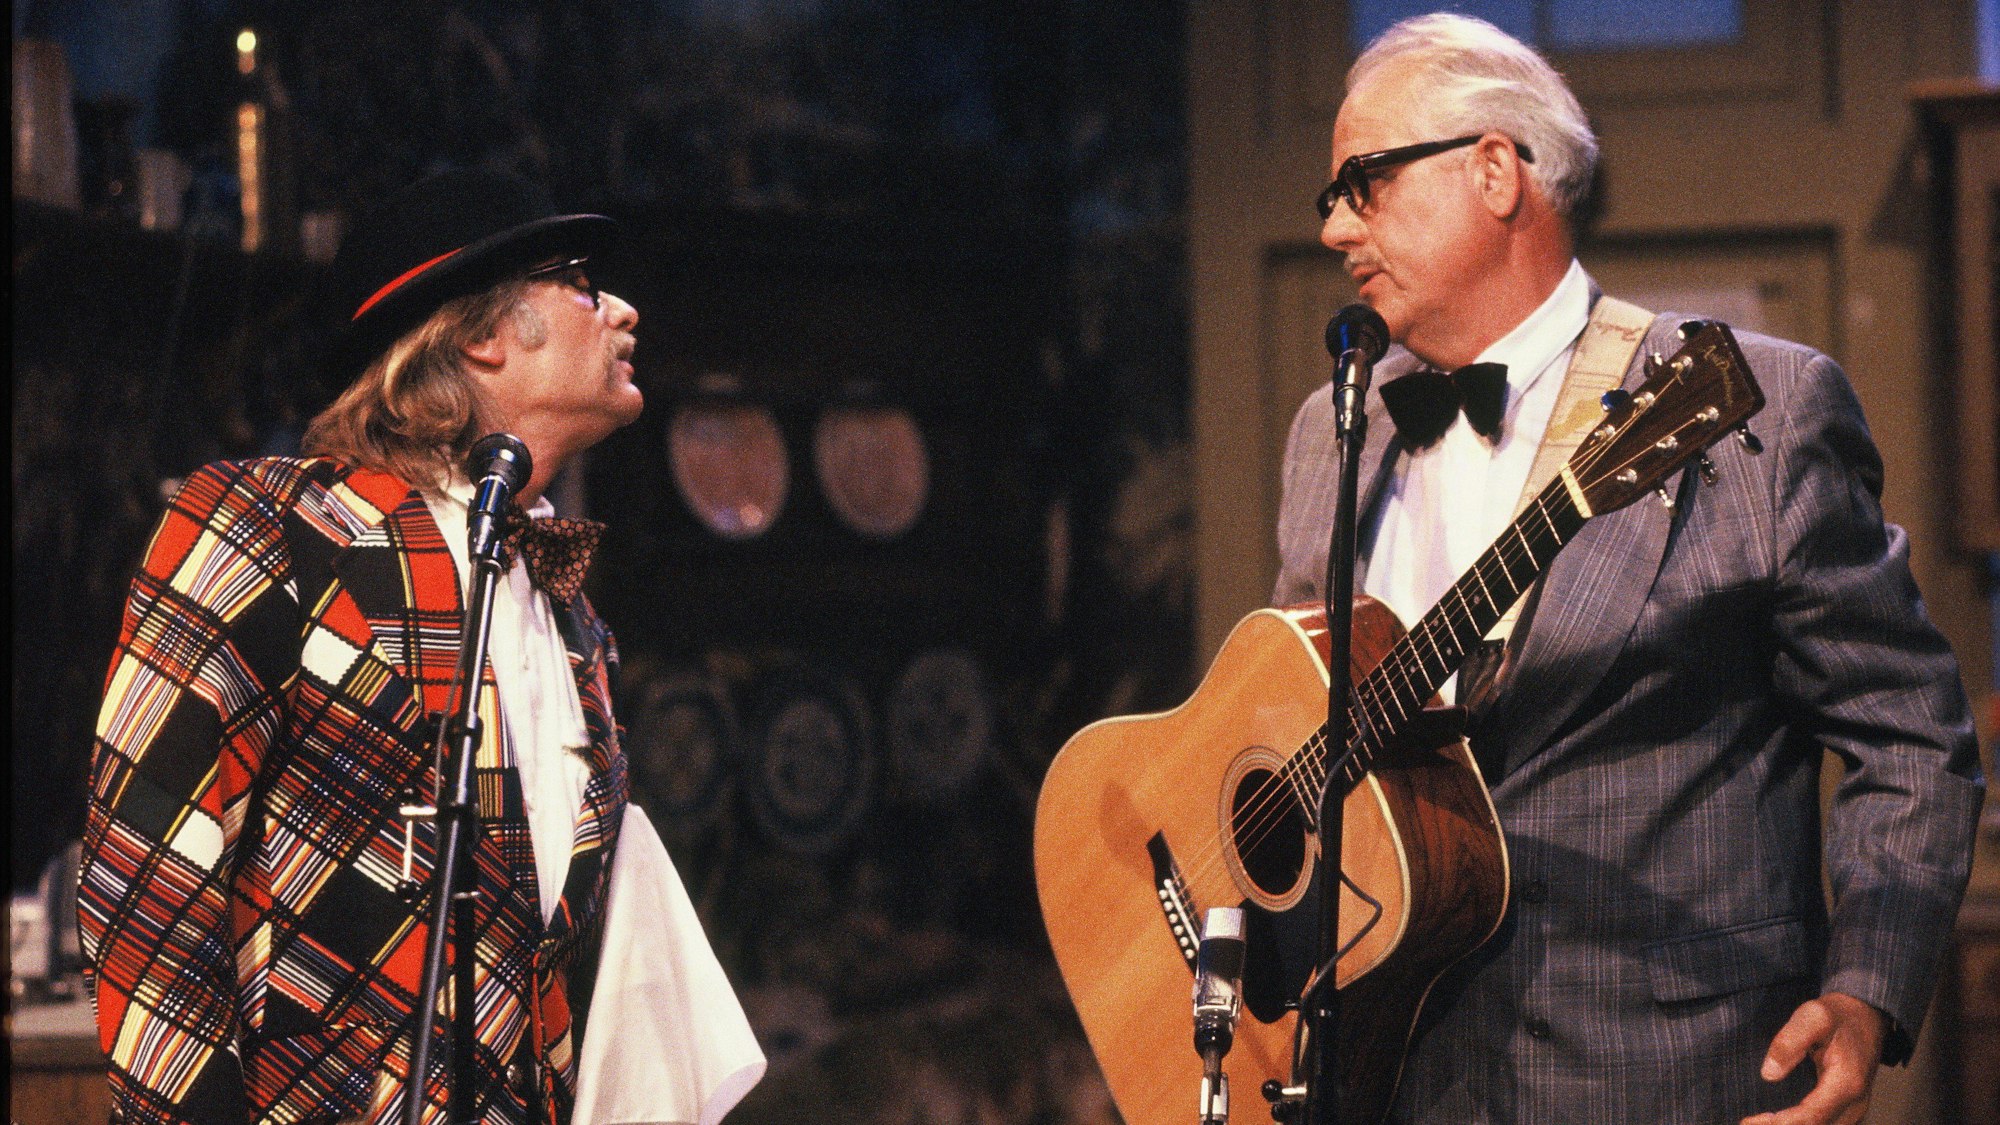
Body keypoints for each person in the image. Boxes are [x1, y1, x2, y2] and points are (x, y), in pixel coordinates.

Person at [1272, 14, 1984, 1124]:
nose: (1331, 229)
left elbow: (1910, 734)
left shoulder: (1764, 409)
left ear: (1494, 170)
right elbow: (1292, 726)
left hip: (1665, 1078)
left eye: (1360, 182)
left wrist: (1864, 988)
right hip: (1383, 1071)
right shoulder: (1332, 426)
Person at [78, 168, 648, 1124]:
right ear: (480, 335)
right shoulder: (272, 529)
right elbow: (145, 887)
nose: (623, 311)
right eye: (583, 283)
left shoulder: (569, 618)